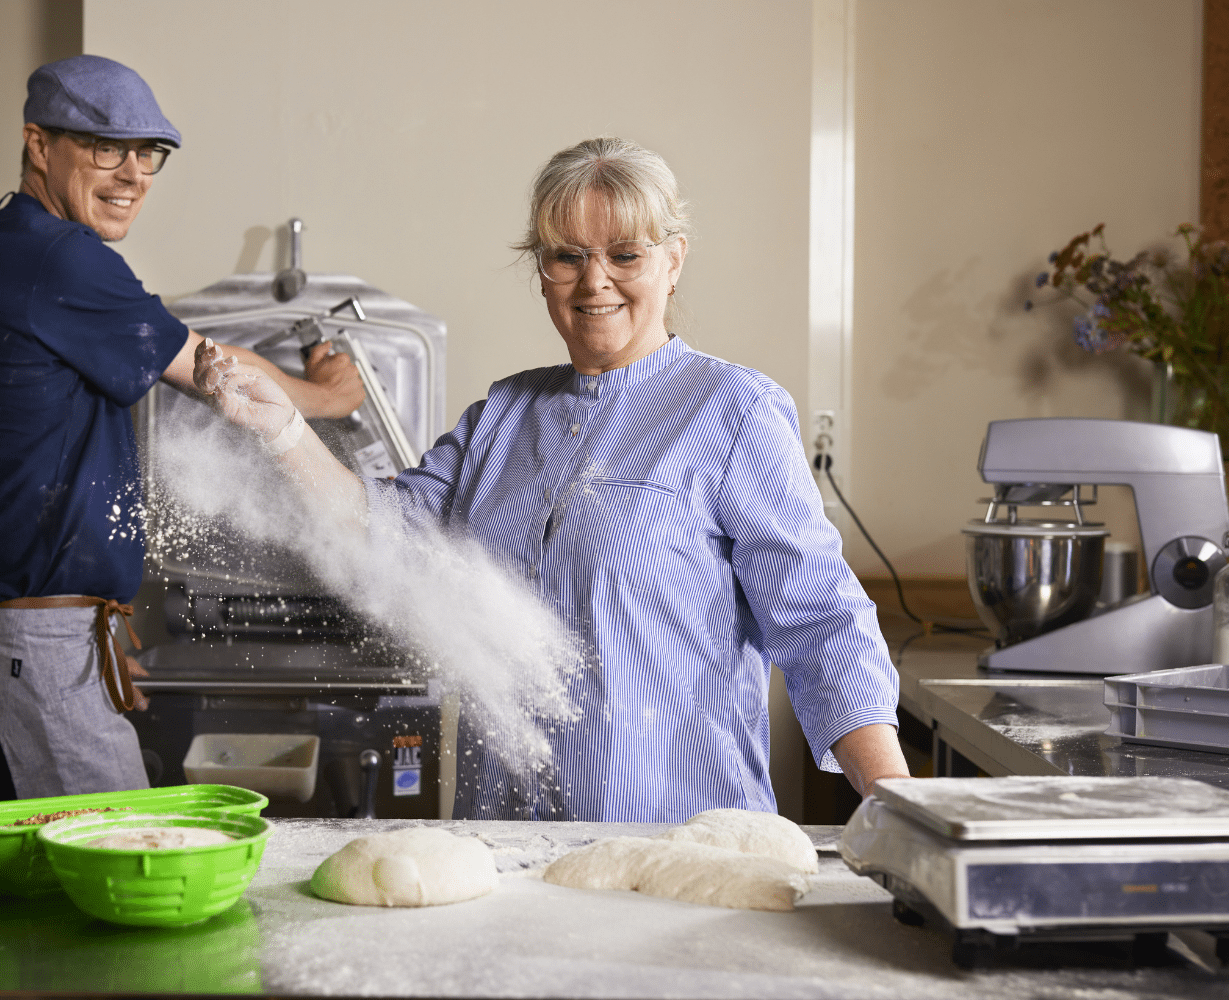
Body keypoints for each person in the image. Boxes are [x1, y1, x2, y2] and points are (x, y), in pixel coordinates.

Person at [193, 136, 906, 822]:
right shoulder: (501, 416)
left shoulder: (734, 413)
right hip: (510, 850)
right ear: (541, 272)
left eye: (625, 254)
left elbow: (822, 625)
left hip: (679, 846)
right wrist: (285, 432)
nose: (595, 281)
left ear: (673, 261)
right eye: (568, 257)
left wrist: (896, 805)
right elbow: (380, 530)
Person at [0, 55, 363, 802]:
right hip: (27, 641)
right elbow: (208, 368)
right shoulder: (59, 259)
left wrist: (96, 625)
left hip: (11, 631)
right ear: (38, 144)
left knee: (27, 868)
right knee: (108, 858)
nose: (133, 175)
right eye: (105, 148)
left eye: (149, 154)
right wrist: (331, 397)